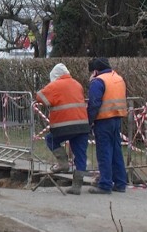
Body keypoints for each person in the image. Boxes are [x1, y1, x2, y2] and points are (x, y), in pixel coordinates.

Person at [35, 63, 90, 195]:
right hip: (82, 125)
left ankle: (63, 162)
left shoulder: (55, 85)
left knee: (50, 139)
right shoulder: (77, 84)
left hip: (64, 125)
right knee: (80, 154)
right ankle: (77, 186)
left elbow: (40, 97)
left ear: (55, 76)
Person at [87, 57, 128, 194]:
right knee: (116, 151)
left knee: (104, 152)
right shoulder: (117, 78)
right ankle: (121, 183)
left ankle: (105, 184)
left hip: (103, 120)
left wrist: (89, 121)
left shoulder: (98, 81)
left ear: (95, 71)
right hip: (117, 118)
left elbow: (94, 103)